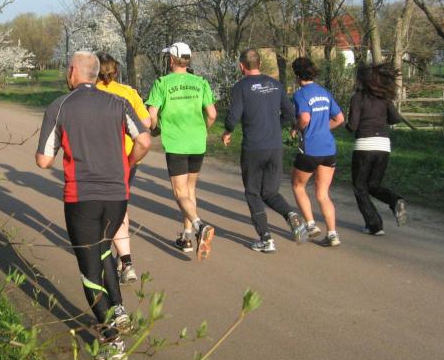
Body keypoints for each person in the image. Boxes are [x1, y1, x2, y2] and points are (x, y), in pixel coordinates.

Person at [36, 51, 151, 360]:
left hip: (81, 198)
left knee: (89, 271)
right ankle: (119, 310)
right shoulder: (119, 103)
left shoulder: (60, 106)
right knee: (103, 251)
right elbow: (145, 140)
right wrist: (128, 165)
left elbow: (44, 161)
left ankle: (112, 341)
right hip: (117, 195)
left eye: (67, 68)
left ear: (74, 71)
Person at [222, 49, 308, 253]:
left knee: (253, 192)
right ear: (259, 63)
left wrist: (227, 131)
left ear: (241, 66)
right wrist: (275, 125)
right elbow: (290, 113)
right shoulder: (275, 84)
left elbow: (233, 117)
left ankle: (266, 238)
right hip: (274, 146)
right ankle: (290, 214)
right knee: (270, 192)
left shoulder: (241, 87)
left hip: (253, 147)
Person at [146, 42, 217, 259]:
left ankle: (199, 225)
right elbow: (212, 114)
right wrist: (203, 130)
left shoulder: (162, 83)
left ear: (171, 60)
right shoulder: (200, 82)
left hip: (176, 143)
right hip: (197, 142)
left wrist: (155, 128)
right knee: (190, 189)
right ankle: (186, 236)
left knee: (179, 193)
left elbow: (152, 114)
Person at [96, 52, 152, 283]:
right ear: (116, 71)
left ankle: (110, 257)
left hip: (99, 160)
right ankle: (125, 261)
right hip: (127, 158)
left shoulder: (89, 94)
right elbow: (146, 123)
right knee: (120, 206)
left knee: (101, 209)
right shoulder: (128, 92)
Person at [346, 63, 408, 235]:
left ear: (362, 80)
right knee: (373, 185)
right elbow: (396, 118)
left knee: (360, 188)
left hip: (364, 146)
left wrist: (346, 125)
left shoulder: (358, 98)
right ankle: (395, 201)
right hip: (383, 146)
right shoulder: (384, 97)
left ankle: (374, 225)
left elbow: (353, 125)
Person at [290, 57, 345, 246]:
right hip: (328, 148)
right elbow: (339, 118)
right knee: (322, 194)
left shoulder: (300, 94)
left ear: (297, 75)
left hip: (310, 149)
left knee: (298, 186)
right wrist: (322, 129)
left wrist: (297, 128)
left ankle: (311, 225)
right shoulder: (324, 92)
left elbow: (304, 118)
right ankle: (332, 234)